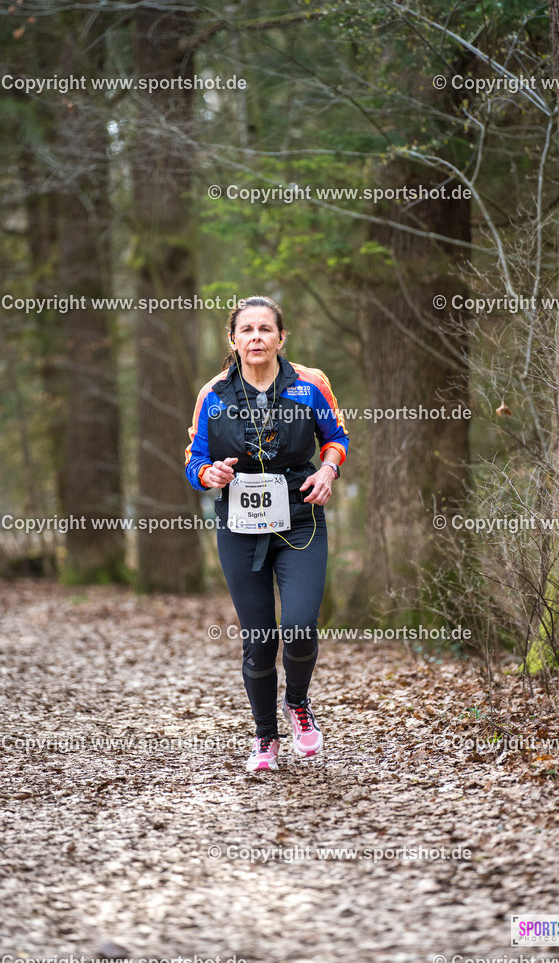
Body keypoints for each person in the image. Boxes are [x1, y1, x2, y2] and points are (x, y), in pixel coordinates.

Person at [185, 296, 349, 773]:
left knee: (298, 624)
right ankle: (264, 736)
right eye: (247, 330)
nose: (256, 337)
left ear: (281, 337)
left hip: (301, 516)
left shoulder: (310, 384)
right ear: (233, 340)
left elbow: (335, 438)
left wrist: (328, 471)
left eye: (265, 329)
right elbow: (194, 459)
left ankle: (297, 704)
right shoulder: (213, 394)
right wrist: (208, 474)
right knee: (259, 637)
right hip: (239, 524)